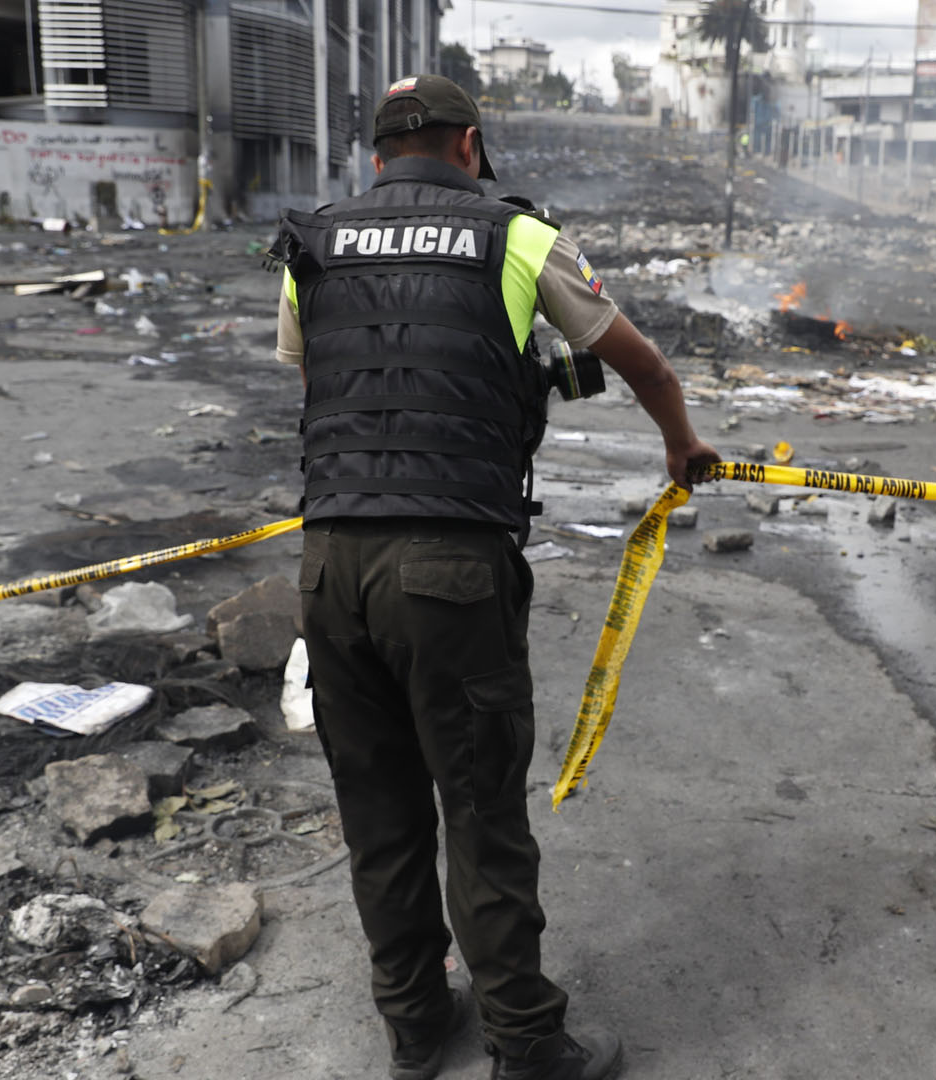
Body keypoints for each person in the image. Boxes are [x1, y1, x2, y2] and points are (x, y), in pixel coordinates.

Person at [268, 74, 721, 1080]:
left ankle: (414, 1027)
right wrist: (681, 446)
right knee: (480, 813)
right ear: (468, 145)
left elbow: (317, 384)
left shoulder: (313, 244)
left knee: (379, 813)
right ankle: (525, 1042)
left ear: (377, 155)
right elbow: (643, 364)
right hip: (450, 567)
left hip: (331, 562)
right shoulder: (514, 235)